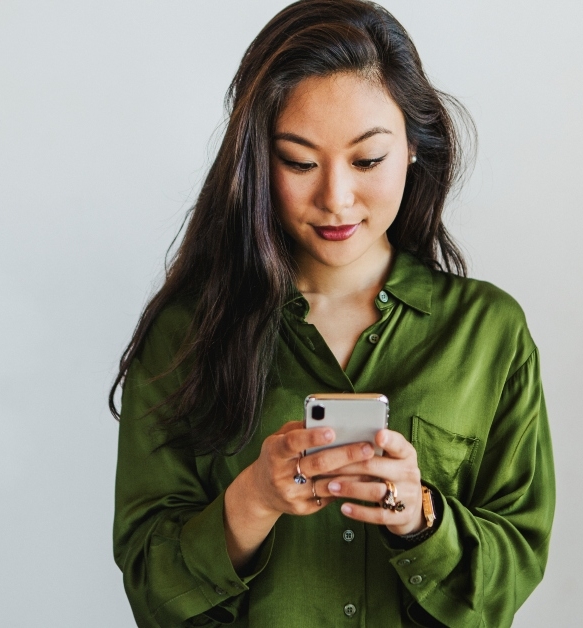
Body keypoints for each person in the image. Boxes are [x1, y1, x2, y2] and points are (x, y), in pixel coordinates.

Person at [110, 1, 555, 625]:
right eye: (299, 162)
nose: (335, 198)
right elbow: (149, 588)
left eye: (367, 161)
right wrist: (253, 500)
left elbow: (514, 567)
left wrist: (420, 517)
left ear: (414, 148)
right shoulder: (186, 334)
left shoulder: (488, 332)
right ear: (258, 162)